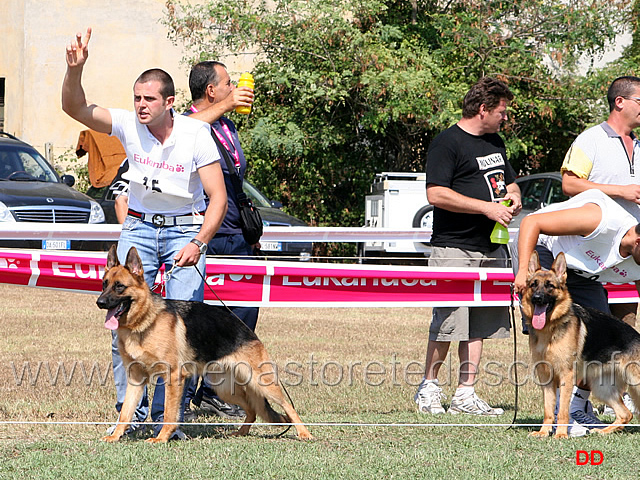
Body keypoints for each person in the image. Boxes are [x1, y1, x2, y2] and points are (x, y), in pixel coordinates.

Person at [62, 28, 228, 440]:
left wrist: (198, 243)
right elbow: (75, 107)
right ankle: (128, 415)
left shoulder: (195, 134)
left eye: (148, 99)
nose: (139, 105)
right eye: (137, 97)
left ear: (169, 103)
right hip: (136, 228)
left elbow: (218, 198)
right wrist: (74, 70)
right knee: (121, 322)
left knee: (179, 328)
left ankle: (168, 421)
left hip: (184, 231)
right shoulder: (125, 124)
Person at [414, 77, 522, 416]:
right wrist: (486, 207)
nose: (505, 118)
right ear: (483, 109)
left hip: (491, 246)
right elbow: (436, 194)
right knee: (449, 320)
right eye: (501, 112)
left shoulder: (495, 141)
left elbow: (510, 179)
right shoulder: (447, 143)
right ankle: (428, 388)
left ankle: (465, 393)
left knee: (480, 323)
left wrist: (514, 196)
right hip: (454, 247)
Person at [513, 188, 640, 434]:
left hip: (581, 272)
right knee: (548, 355)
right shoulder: (601, 220)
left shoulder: (636, 259)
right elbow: (531, 222)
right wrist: (522, 272)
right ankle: (561, 420)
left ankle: (579, 408)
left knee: (596, 334)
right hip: (540, 249)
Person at [559, 75, 640, 425]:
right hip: (595, 258)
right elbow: (569, 183)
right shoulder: (590, 139)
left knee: (626, 332)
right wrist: (620, 191)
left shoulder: (639, 144)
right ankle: (578, 404)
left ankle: (617, 401)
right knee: (592, 337)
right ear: (620, 101)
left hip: (630, 255)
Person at [182, 60, 259, 419]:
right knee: (201, 316)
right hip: (206, 234)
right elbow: (181, 131)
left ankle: (214, 390)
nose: (233, 88)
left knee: (243, 313)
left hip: (237, 235)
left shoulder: (226, 125)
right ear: (211, 90)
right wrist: (225, 106)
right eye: (227, 83)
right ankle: (189, 395)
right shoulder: (187, 122)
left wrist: (250, 230)